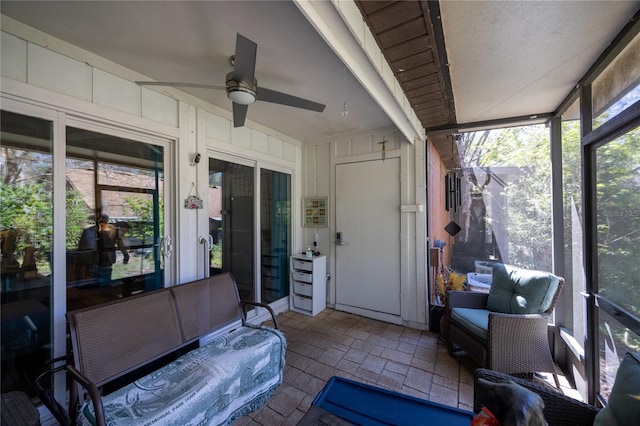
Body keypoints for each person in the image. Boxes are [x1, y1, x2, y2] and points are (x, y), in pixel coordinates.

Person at [77, 214, 129, 285]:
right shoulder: (112, 229)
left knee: (96, 277)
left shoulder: (88, 230)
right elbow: (120, 244)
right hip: (103, 258)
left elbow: (82, 247)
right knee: (103, 279)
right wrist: (126, 255)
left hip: (95, 258)